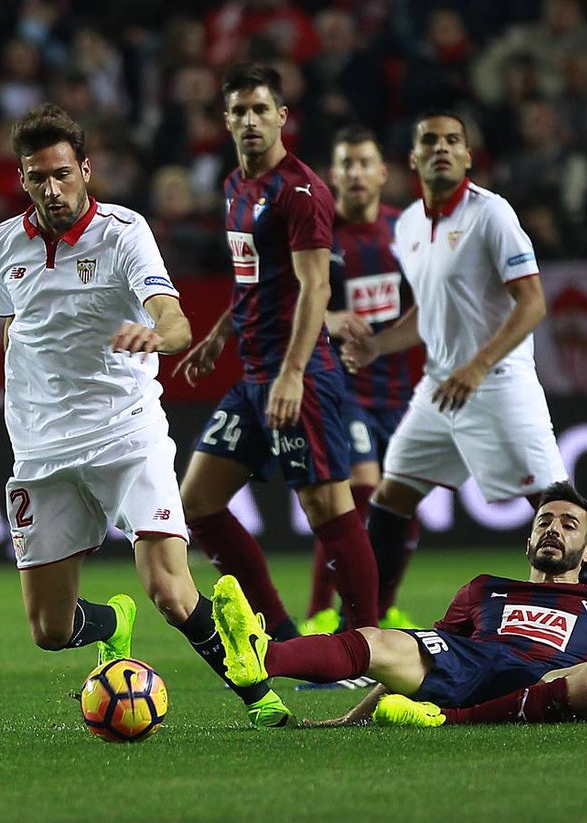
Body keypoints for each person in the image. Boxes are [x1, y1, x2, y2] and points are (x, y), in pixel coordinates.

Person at [0, 102, 291, 732]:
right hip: (42, 447)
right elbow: (16, 328)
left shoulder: (124, 233)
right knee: (49, 629)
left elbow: (174, 319)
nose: (53, 188)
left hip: (125, 430)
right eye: (38, 177)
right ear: (23, 180)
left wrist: (155, 336)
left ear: (86, 170)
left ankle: (256, 690)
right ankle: (110, 623)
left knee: (172, 592)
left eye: (63, 173)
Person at [211, 481, 587, 727]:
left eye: (568, 524)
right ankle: (262, 655)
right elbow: (407, 666)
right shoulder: (484, 589)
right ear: (529, 538)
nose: (553, 529)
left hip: (541, 678)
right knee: (383, 639)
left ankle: (448, 722)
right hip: (467, 663)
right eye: (545, 520)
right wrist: (345, 719)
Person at [340, 109, 587, 625]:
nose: (441, 148)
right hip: (441, 387)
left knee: (558, 504)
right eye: (429, 140)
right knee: (392, 494)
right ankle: (365, 630)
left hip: (499, 382)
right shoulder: (410, 226)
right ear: (413, 157)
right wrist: (379, 346)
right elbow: (429, 308)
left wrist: (478, 365)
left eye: (452, 141)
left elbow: (532, 302)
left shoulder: (492, 214)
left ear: (466, 155)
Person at [172, 64, 379, 650]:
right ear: (226, 119)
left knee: (327, 507)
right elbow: (253, 283)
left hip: (300, 374)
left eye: (261, 109)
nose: (250, 121)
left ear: (282, 116)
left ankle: (367, 645)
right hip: (254, 375)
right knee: (199, 503)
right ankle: (280, 635)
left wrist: (292, 373)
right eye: (238, 111)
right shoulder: (234, 186)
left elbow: (316, 288)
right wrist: (218, 334)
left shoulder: (303, 191)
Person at [301, 125, 417, 636]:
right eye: (345, 163)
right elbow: (295, 304)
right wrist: (331, 320)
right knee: (360, 490)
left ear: (382, 173)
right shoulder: (320, 236)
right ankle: (322, 611)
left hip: (402, 391)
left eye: (363, 162)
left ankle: (384, 607)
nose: (354, 173)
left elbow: (427, 304)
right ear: (333, 175)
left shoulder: (407, 231)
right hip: (344, 391)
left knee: (402, 504)